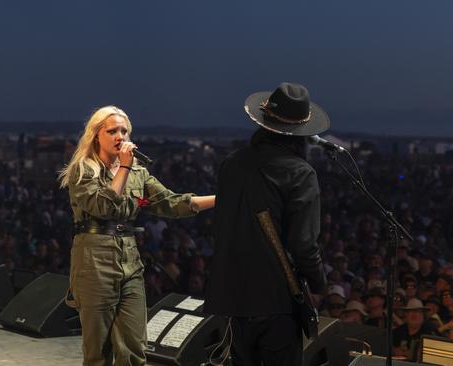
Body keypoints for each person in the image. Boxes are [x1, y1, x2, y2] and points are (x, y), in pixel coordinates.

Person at [58, 105, 215, 366]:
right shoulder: (83, 171)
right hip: (94, 262)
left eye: (124, 131)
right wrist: (125, 168)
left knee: (133, 347)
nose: (120, 136)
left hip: (129, 261)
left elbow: (172, 203)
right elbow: (104, 206)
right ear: (96, 135)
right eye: (112, 131)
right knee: (97, 351)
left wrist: (222, 199)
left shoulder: (137, 173)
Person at [204, 82, 329, 366]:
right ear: (301, 132)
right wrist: (321, 285)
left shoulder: (232, 164)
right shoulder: (300, 172)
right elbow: (304, 244)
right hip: (277, 298)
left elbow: (221, 227)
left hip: (234, 295)